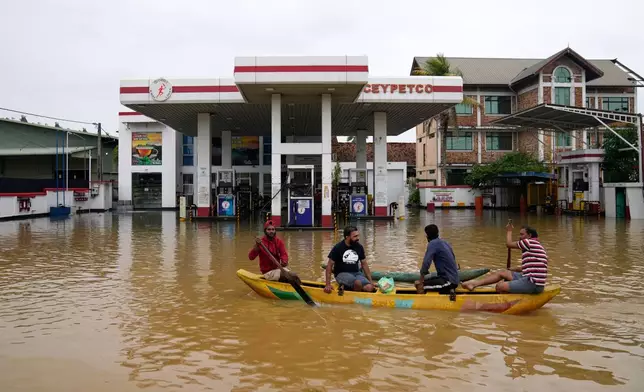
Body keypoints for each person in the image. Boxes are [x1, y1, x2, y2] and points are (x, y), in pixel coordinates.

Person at [462, 222, 547, 294]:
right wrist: (514, 269)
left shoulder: (529, 242)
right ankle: (475, 284)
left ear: (529, 235)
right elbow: (530, 267)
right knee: (503, 272)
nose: (520, 237)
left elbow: (509, 244)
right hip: (531, 281)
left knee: (499, 286)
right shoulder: (537, 245)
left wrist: (509, 230)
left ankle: (508, 297)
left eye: (522, 234)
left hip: (532, 284)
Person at [324, 226, 375, 293]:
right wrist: (328, 284)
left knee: (369, 287)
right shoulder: (338, 247)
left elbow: (364, 264)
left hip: (357, 273)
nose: (358, 238)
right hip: (341, 274)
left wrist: (370, 281)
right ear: (347, 237)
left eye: (358, 236)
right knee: (358, 284)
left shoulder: (359, 247)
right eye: (355, 236)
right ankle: (355, 297)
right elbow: (329, 265)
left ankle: (348, 288)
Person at [414, 224, 460, 294]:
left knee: (418, 285)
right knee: (428, 281)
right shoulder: (445, 243)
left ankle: (421, 302)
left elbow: (426, 263)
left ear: (427, 236)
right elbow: (453, 257)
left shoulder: (432, 244)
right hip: (453, 279)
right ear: (438, 233)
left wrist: (421, 281)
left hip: (448, 281)